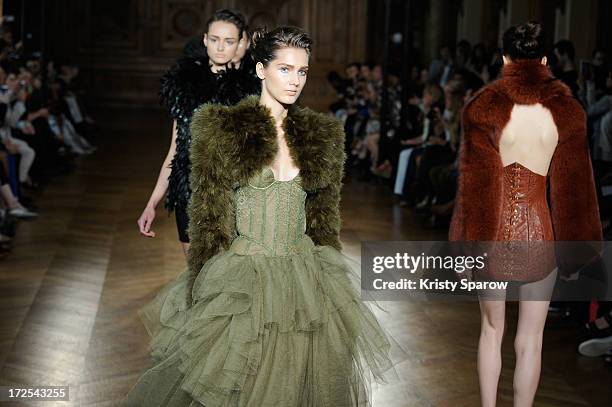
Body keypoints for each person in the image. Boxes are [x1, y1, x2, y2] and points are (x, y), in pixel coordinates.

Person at [124, 25, 404, 407]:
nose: (295, 81)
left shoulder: (321, 135)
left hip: (305, 279)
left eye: (302, 71)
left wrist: (331, 285)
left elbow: (324, 223)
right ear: (261, 70)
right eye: (285, 69)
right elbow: (210, 221)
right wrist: (200, 295)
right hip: (244, 280)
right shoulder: (223, 130)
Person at [449, 22, 602, 407]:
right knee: (531, 340)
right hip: (541, 233)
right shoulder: (566, 112)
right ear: (545, 60)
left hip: (491, 232)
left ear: (504, 60)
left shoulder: (483, 108)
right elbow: (575, 190)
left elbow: (472, 187)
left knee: (490, 330)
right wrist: (577, 253)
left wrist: (464, 247)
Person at [137, 9, 260, 255]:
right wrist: (152, 203)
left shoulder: (249, 92)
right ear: (205, 40)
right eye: (214, 40)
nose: (220, 48)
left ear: (239, 44)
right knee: (197, 273)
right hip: (188, 192)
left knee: (226, 275)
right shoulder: (184, 87)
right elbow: (175, 150)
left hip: (232, 193)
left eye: (229, 41)